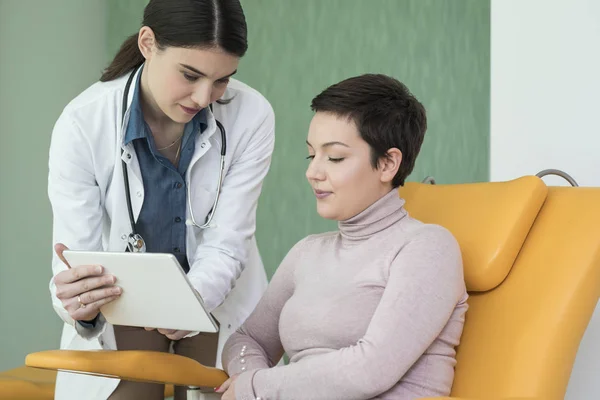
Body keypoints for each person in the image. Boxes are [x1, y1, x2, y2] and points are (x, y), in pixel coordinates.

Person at [47, 1, 275, 399]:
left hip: (214, 300)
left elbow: (228, 243)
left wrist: (189, 303)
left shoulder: (250, 114)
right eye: (190, 75)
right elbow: (75, 254)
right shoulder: (83, 122)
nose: (205, 96)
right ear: (148, 43)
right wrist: (76, 300)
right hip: (124, 302)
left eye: (222, 80)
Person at [217, 74, 469, 400]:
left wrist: (257, 387)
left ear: (388, 163)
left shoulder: (427, 248)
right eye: (312, 155)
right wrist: (251, 378)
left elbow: (371, 369)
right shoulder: (307, 253)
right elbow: (245, 340)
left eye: (334, 157)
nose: (313, 172)